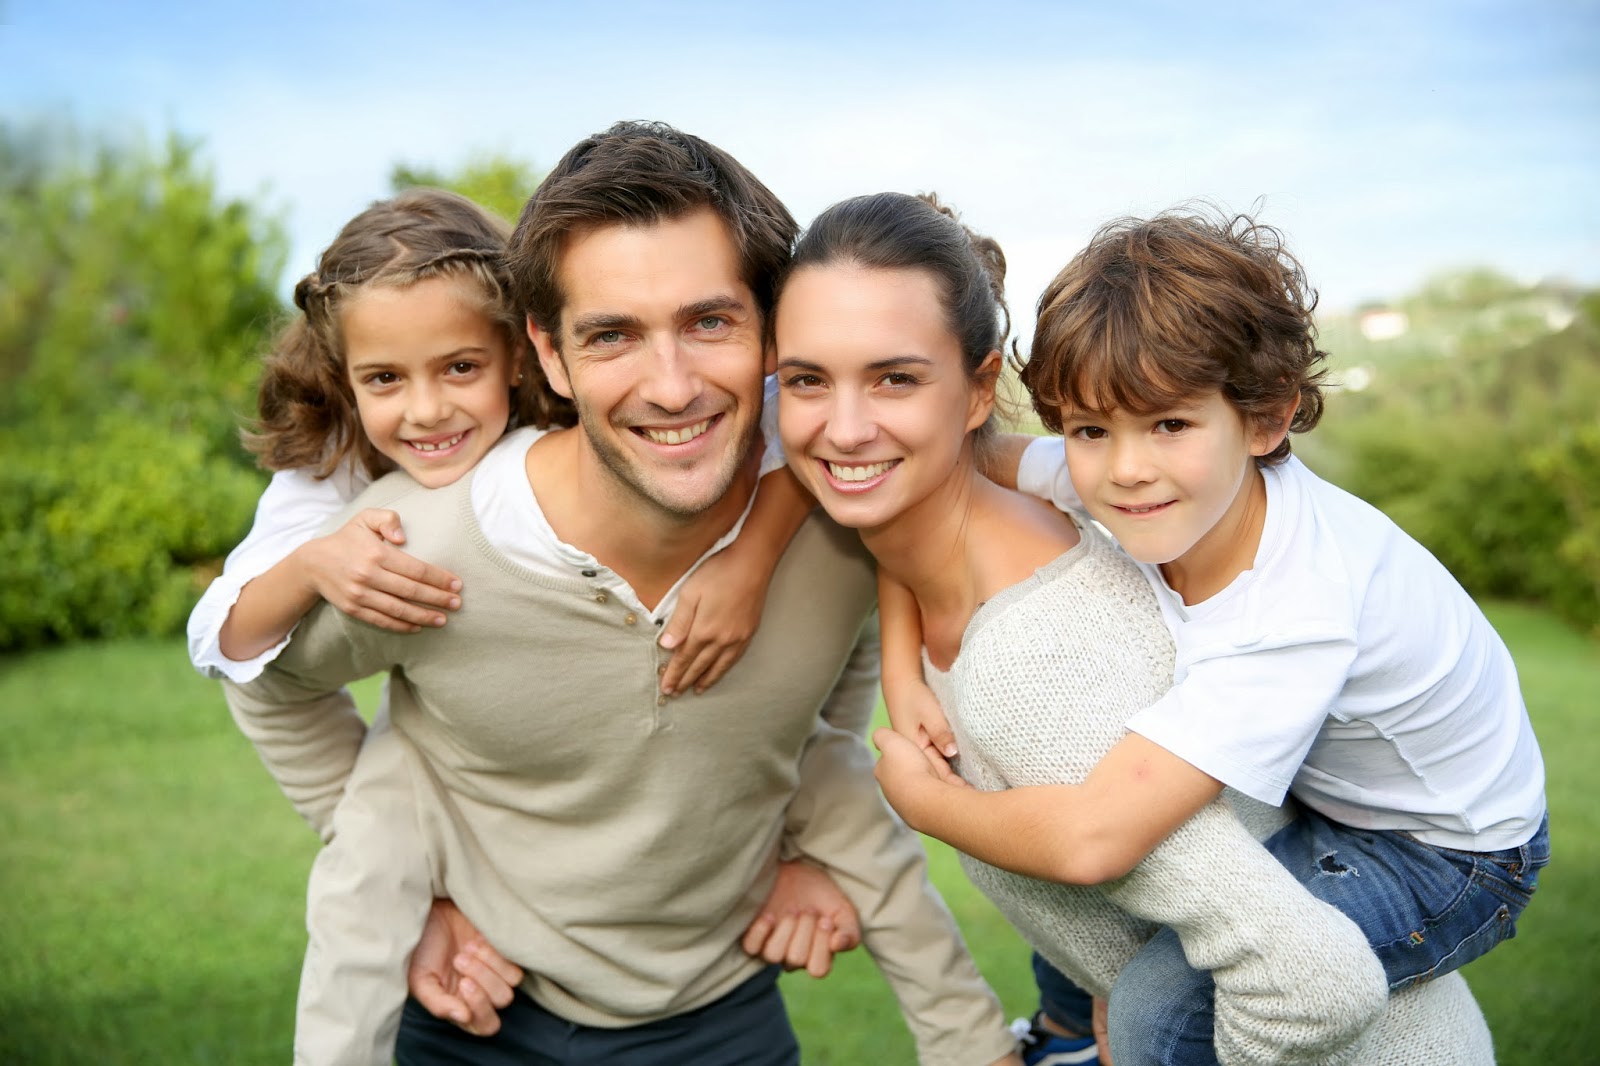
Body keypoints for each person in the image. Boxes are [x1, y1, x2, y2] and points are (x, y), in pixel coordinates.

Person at [223, 122, 1020, 1066]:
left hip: (720, 1015)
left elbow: (834, 674)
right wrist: (417, 888)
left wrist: (806, 853)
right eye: (611, 336)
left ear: (774, 331)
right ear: (547, 357)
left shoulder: (844, 515)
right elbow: (265, 681)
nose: (672, 385)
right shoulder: (419, 546)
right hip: (475, 1012)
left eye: (710, 322)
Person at [875, 207, 1549, 1065]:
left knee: (1161, 1008)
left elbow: (1095, 839)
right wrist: (903, 669)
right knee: (1122, 913)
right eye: (1090, 429)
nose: (1125, 468)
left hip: (1448, 853)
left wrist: (930, 803)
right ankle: (1071, 1032)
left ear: (1265, 420)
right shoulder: (1132, 480)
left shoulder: (1291, 612)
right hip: (1337, 792)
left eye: (1170, 424)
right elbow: (935, 486)